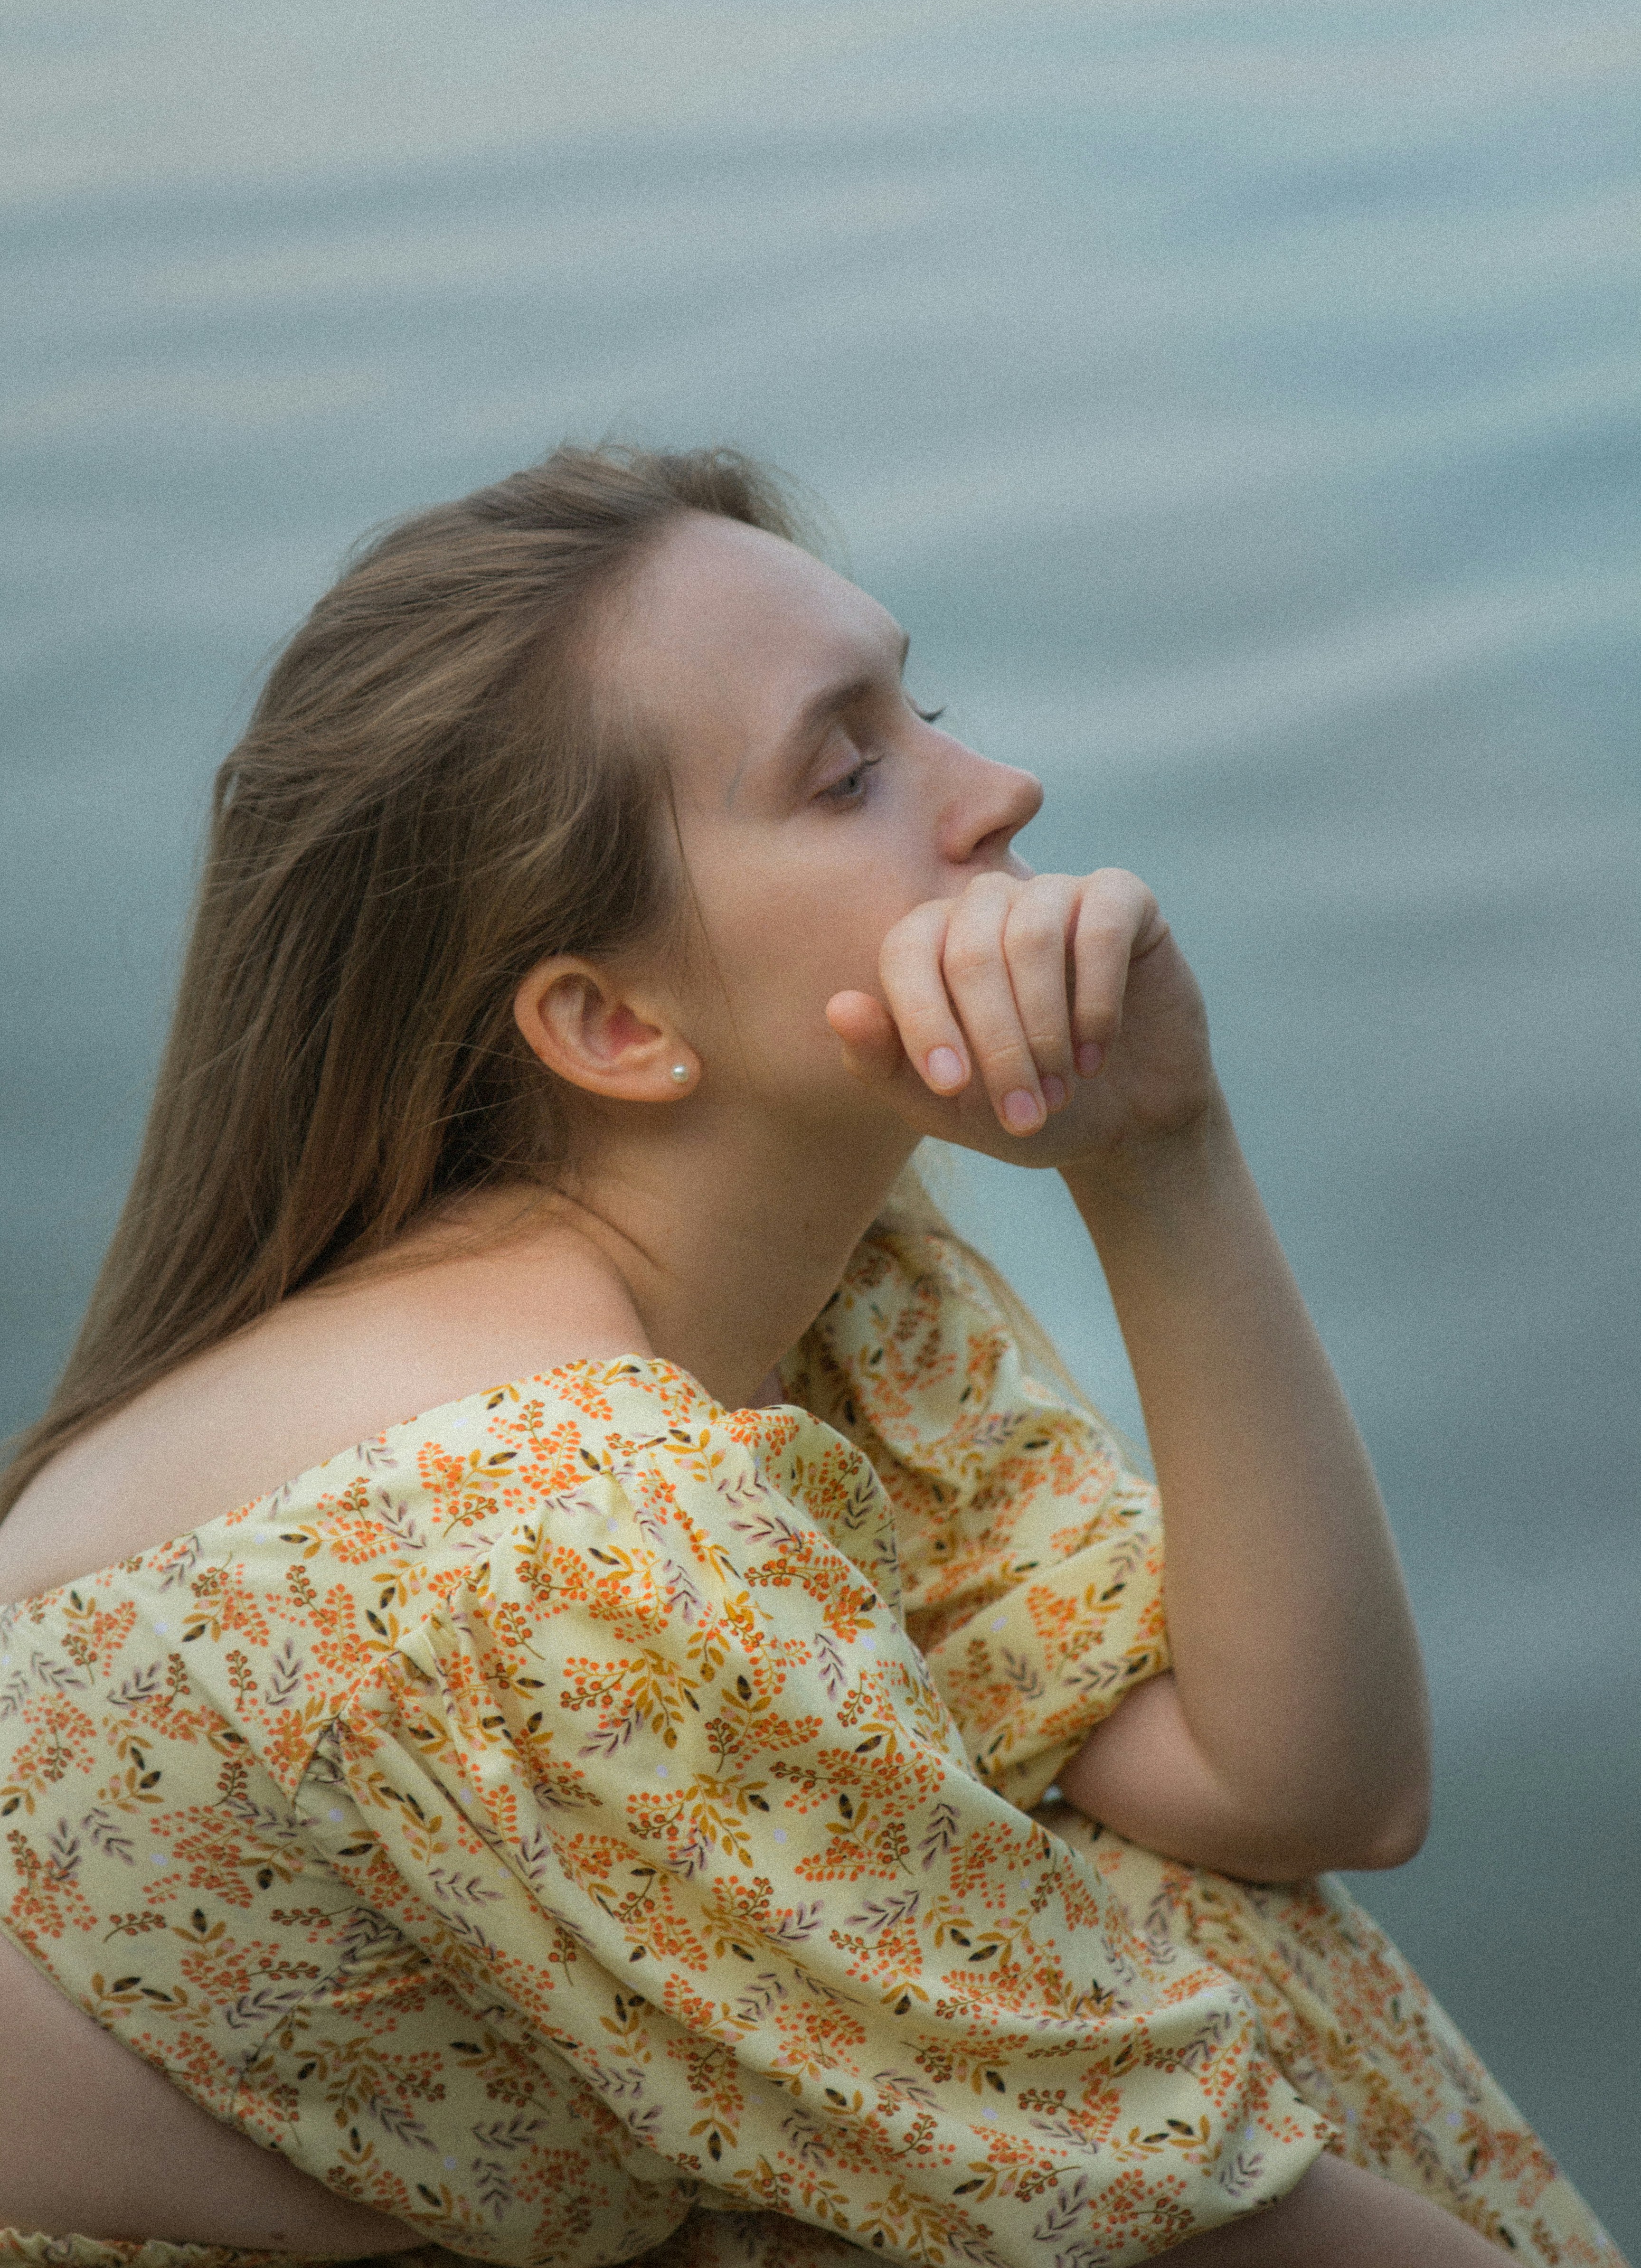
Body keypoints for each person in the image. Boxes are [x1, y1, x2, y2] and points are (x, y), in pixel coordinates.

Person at [0, 446, 1622, 2268]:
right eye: (853, 772)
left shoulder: (817, 1285)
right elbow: (1192, 2221)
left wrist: (1160, 1152)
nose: (1003, 793)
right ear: (610, 1024)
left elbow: (1300, 1792)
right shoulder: (559, 1528)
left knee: (1152, 1909)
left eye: (926, 711)